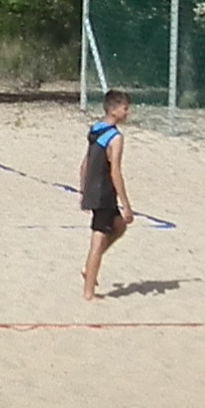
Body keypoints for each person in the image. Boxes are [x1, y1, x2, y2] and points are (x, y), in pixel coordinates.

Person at [80, 90, 135, 301]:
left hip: (95, 190)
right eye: (125, 108)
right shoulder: (115, 138)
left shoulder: (95, 129)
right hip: (103, 193)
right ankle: (89, 292)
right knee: (98, 240)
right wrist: (126, 204)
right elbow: (115, 172)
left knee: (119, 225)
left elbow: (84, 164)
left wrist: (84, 190)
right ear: (113, 110)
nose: (127, 112)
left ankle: (89, 267)